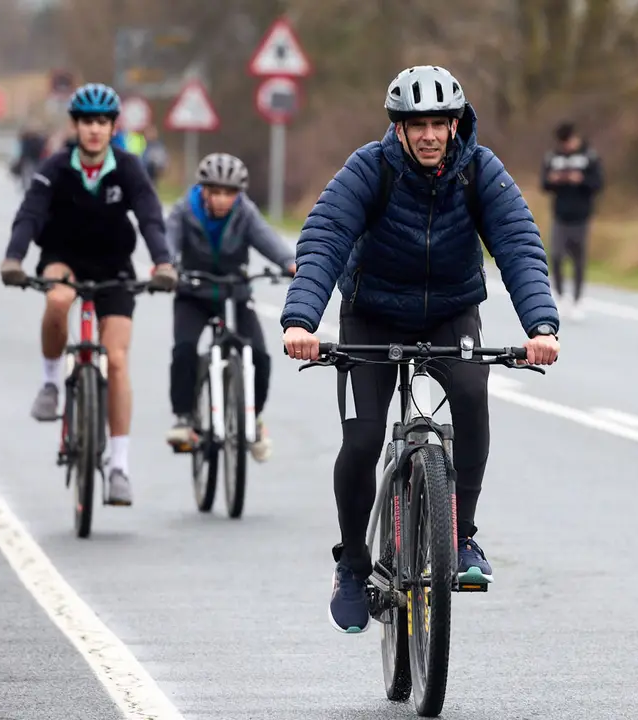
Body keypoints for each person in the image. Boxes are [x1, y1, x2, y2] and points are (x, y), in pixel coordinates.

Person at [278, 65, 561, 634]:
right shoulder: (369, 168)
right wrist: (301, 320)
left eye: (440, 123)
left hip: (450, 313)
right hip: (372, 314)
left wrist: (542, 327)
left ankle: (461, 537)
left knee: (471, 393)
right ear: (399, 129)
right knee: (360, 440)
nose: (430, 135)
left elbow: (519, 245)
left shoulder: (480, 172)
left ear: (456, 124)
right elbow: (326, 236)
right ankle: (355, 564)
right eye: (418, 125)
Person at [0, 83, 179, 506]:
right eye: (86, 122)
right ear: (75, 125)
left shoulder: (130, 167)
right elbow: (30, 214)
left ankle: (118, 467)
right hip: (64, 257)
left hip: (114, 266)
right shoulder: (56, 167)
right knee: (58, 299)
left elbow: (151, 217)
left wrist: (164, 263)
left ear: (112, 126)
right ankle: (49, 383)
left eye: (102, 122)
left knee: (116, 360)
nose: (94, 130)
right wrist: (13, 258)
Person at [164, 153, 296, 461]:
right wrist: (167, 267)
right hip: (193, 293)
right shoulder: (184, 211)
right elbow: (168, 243)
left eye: (230, 193)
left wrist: (289, 263)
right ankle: (184, 417)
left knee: (260, 355)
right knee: (184, 349)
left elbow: (267, 239)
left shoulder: (245, 212)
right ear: (204, 191)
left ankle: (254, 418)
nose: (223, 199)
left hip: (234, 294)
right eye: (217, 192)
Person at [541, 121, 604, 320]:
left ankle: (577, 299)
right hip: (560, 215)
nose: (566, 146)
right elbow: (544, 184)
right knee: (557, 255)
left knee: (578, 259)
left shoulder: (589, 157)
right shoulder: (553, 157)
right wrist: (554, 180)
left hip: (581, 216)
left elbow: (598, 183)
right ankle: (560, 295)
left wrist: (581, 180)